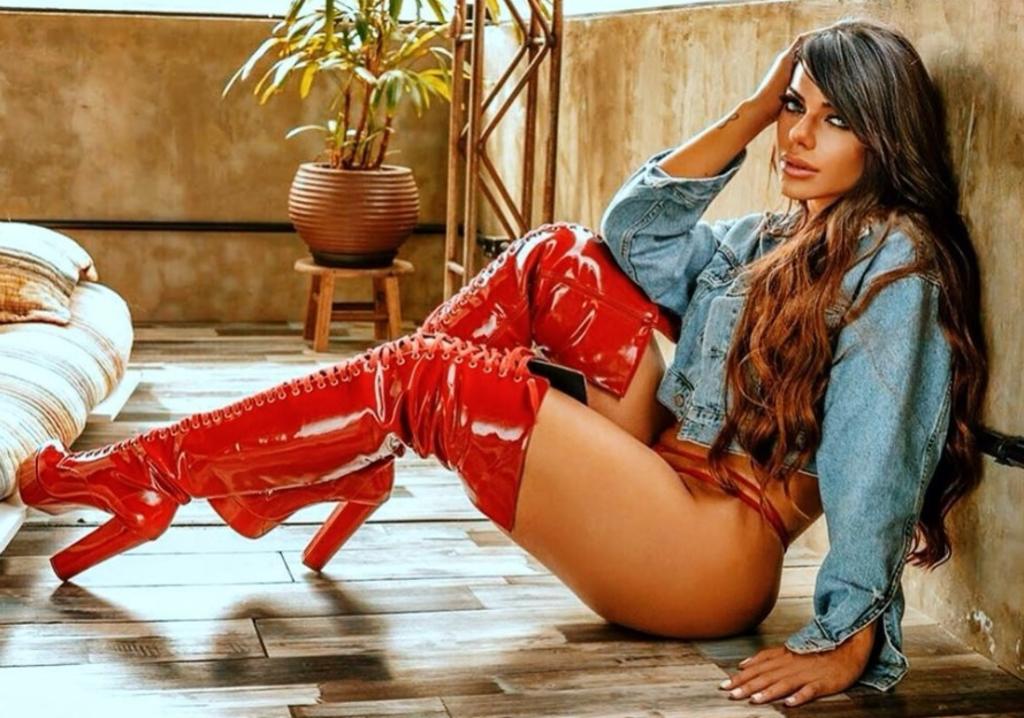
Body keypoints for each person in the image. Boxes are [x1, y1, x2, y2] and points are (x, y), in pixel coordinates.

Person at [15, 15, 987, 709]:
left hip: (708, 550)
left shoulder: (895, 260)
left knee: (427, 376)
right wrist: (744, 110)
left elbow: (876, 453)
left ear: (886, 135)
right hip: (661, 478)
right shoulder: (773, 238)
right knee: (555, 256)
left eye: (833, 119)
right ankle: (352, 443)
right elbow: (633, 235)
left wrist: (848, 636)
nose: (797, 135)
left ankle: (158, 473)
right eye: (793, 107)